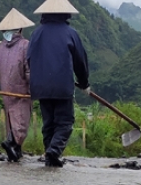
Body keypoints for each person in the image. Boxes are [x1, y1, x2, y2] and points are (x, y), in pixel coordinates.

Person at [26, 0, 89, 168]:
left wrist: (39, 78)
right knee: (65, 122)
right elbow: (80, 61)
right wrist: (84, 83)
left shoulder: (36, 33)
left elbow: (29, 59)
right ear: (65, 14)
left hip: (40, 87)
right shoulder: (70, 33)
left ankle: (50, 156)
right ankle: (53, 151)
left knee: (49, 123)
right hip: (62, 86)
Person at [0, 8, 34, 163]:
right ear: (20, 29)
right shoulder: (26, 45)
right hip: (22, 92)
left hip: (6, 92)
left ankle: (16, 152)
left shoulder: (0, 47)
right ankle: (10, 142)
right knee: (21, 122)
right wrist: (33, 88)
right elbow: (29, 70)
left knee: (12, 121)